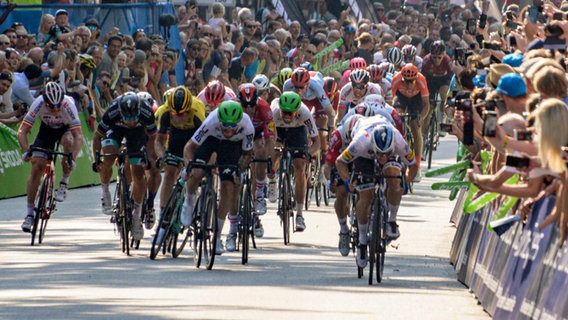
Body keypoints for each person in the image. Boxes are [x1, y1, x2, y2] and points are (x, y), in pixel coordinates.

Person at [335, 122, 416, 268]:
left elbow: (413, 164)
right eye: (380, 154)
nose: (383, 158)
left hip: (385, 147)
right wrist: (348, 182)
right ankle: (362, 241)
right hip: (364, 156)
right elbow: (340, 161)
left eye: (387, 154)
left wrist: (406, 182)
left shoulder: (399, 142)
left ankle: (391, 221)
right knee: (366, 195)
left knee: (395, 178)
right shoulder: (360, 143)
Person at [182, 101, 254, 254]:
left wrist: (239, 170)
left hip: (232, 147)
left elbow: (247, 154)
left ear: (239, 123)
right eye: (224, 125)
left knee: (228, 188)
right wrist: (188, 166)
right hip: (210, 141)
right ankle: (188, 200)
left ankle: (217, 237)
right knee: (197, 172)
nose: (228, 129)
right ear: (219, 120)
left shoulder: (247, 126)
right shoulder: (212, 121)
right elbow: (189, 147)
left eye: (232, 126)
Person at [18, 82, 83, 232]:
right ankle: (29, 214)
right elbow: (22, 131)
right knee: (37, 167)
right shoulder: (38, 103)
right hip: (46, 130)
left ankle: (64, 182)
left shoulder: (68, 105)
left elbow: (78, 136)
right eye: (51, 106)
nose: (55, 109)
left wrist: (72, 157)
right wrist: (27, 150)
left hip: (65, 130)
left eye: (58, 106)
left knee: (69, 142)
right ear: (44, 102)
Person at [92, 92, 157, 241]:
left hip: (137, 134)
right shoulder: (112, 112)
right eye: (127, 118)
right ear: (121, 112)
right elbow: (97, 136)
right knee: (108, 158)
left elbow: (153, 137)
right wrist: (97, 159)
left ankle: (136, 216)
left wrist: (148, 155)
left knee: (139, 173)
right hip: (115, 129)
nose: (130, 121)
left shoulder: (147, 112)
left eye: (133, 118)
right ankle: (105, 192)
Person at [269, 92, 320, 232]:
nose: (286, 116)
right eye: (284, 112)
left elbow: (317, 143)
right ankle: (272, 179)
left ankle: (299, 215)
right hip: (279, 132)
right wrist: (273, 152)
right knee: (274, 154)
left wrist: (307, 153)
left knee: (300, 167)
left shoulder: (305, 113)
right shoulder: (273, 112)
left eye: (290, 114)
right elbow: (269, 138)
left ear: (297, 111)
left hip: (298, 132)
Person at [155, 86, 206, 227]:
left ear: (189, 109)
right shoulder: (165, 112)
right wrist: (162, 156)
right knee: (169, 172)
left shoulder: (197, 112)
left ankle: (190, 201)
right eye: (175, 114)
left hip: (194, 137)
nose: (179, 117)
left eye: (182, 113)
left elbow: (205, 143)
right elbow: (159, 141)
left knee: (194, 173)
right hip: (176, 136)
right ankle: (163, 215)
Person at [234, 83, 276, 240]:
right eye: (244, 105)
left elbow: (270, 138)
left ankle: (259, 193)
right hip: (238, 135)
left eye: (252, 105)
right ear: (239, 102)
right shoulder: (232, 107)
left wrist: (269, 160)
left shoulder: (265, 109)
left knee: (261, 150)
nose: (248, 109)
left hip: (258, 135)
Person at [391, 63, 429, 182]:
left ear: (416, 79)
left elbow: (426, 105)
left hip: (416, 100)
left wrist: (421, 118)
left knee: (415, 127)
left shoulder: (421, 80)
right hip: (401, 98)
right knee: (397, 116)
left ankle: (417, 166)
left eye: (411, 81)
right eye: (405, 81)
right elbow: (389, 101)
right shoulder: (396, 79)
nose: (408, 84)